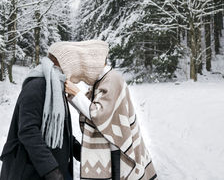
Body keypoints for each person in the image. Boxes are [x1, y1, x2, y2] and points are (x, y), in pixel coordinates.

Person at [48, 39, 157, 180]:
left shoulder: (112, 79)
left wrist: (76, 94)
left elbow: (99, 115)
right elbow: (92, 113)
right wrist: (73, 97)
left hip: (118, 149)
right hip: (112, 147)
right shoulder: (101, 80)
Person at [0, 56, 80, 180]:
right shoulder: (37, 85)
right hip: (34, 171)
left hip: (58, 167)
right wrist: (51, 170)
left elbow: (58, 127)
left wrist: (77, 149)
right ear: (61, 63)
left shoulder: (56, 87)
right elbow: (28, 131)